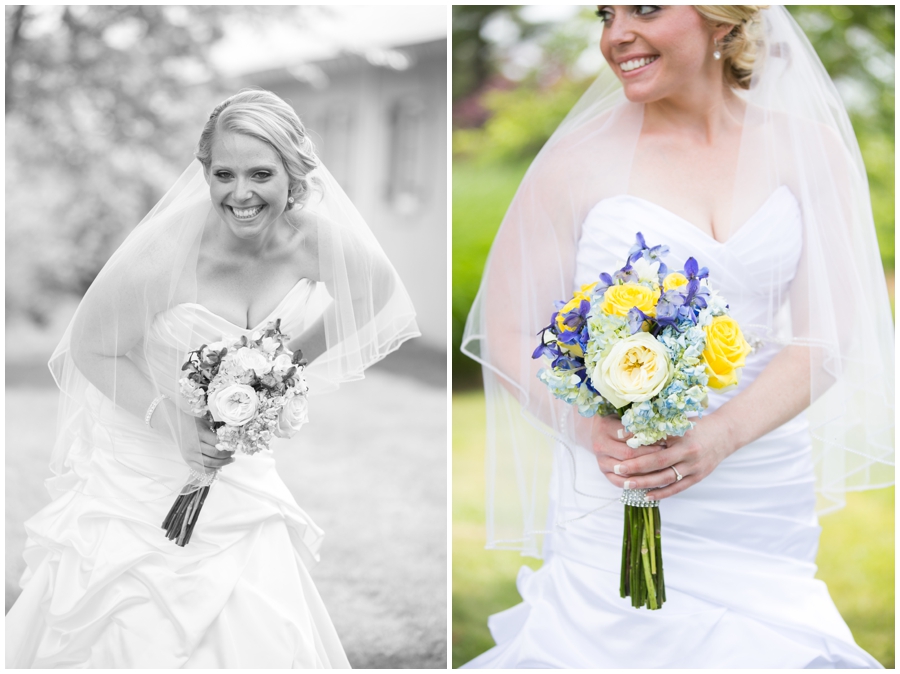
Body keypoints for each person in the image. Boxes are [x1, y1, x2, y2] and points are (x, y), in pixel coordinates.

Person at [460, 5, 892, 668]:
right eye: (606, 14)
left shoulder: (808, 149)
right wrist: (587, 429)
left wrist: (719, 437)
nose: (616, 34)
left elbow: (827, 334)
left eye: (647, 8)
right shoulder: (572, 163)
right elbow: (512, 331)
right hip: (622, 478)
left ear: (722, 21)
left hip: (760, 488)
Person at [6, 89, 419, 668]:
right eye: (223, 173)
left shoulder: (313, 241)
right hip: (139, 474)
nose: (240, 193)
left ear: (294, 172)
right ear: (203, 171)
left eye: (260, 173)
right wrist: (168, 417)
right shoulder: (166, 254)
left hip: (236, 478)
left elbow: (375, 288)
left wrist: (282, 367)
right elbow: (92, 347)